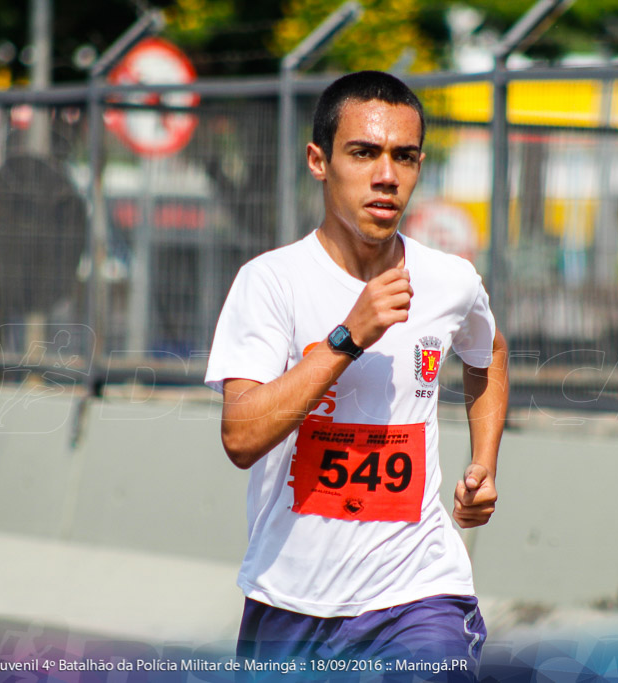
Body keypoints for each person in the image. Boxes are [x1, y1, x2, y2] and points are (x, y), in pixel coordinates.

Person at [205, 71, 509, 676]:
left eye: (405, 157)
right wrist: (347, 338)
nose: (386, 176)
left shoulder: (450, 280)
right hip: (290, 601)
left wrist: (485, 463)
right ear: (319, 160)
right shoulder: (271, 282)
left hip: (419, 596)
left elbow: (491, 354)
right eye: (363, 153)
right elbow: (241, 436)